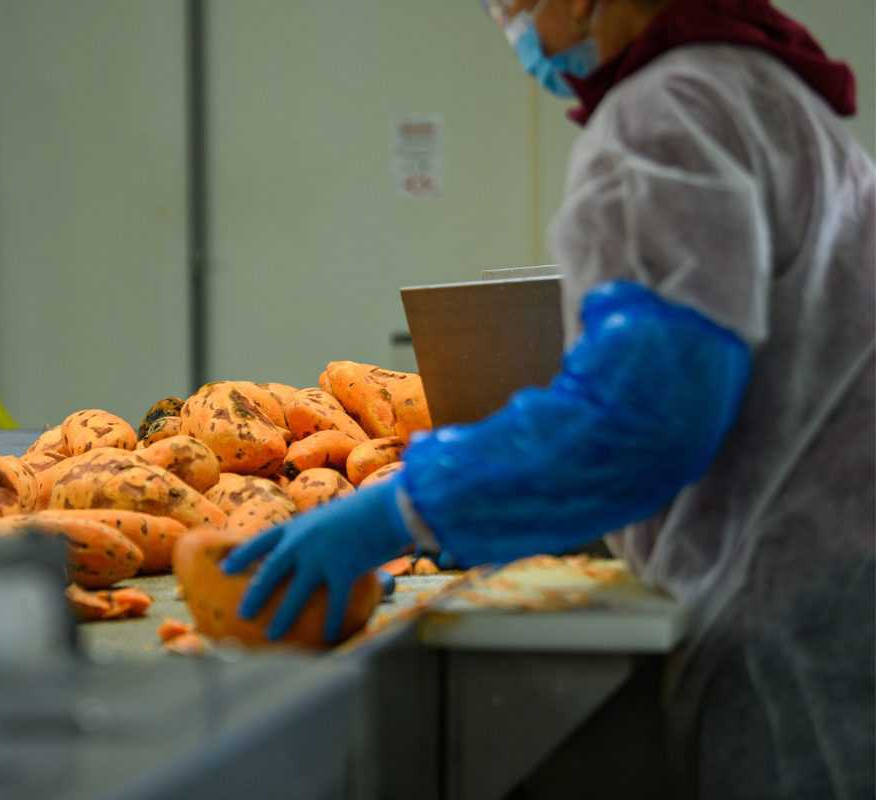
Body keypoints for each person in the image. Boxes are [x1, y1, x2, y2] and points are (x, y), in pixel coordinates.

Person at [223, 0, 875, 796]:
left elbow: (641, 419)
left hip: (796, 622)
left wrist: (407, 510)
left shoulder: (666, 117)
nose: (510, 28)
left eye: (511, 4)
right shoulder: (762, 90)